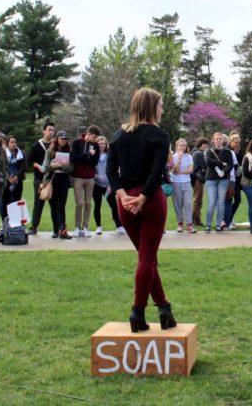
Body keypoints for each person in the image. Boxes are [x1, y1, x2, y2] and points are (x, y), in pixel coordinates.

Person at [107, 87, 176, 333]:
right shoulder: (159, 135)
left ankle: (164, 307)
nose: (162, 109)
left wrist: (123, 194)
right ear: (150, 107)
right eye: (160, 105)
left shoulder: (118, 135)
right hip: (151, 201)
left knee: (146, 258)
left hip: (126, 203)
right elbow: (157, 170)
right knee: (147, 257)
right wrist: (144, 196)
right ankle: (138, 310)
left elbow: (110, 171)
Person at [70, 125, 101, 238]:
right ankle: (77, 227)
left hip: (90, 177)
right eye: (94, 137)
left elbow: (95, 161)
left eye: (96, 138)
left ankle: (86, 227)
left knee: (88, 203)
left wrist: (86, 158)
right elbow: (73, 158)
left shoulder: (96, 145)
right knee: (80, 203)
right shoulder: (77, 142)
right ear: (88, 134)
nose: (95, 140)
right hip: (78, 177)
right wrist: (87, 155)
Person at [44, 131, 74, 239]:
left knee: (61, 206)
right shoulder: (49, 151)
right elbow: (46, 167)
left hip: (64, 180)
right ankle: (55, 230)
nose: (64, 141)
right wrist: (53, 166)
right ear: (57, 139)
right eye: (62, 139)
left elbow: (71, 168)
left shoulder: (70, 151)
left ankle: (63, 231)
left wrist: (60, 165)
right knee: (53, 206)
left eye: (65, 139)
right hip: (52, 181)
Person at [26, 122, 55, 235]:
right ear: (43, 131)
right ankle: (34, 226)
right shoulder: (36, 146)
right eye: (49, 130)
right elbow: (29, 161)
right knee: (39, 203)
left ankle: (57, 228)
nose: (51, 132)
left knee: (55, 204)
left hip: (53, 179)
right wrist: (38, 166)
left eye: (53, 130)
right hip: (40, 179)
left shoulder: (55, 145)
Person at [204, 132, 233, 233]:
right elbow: (208, 161)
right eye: (216, 139)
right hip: (211, 179)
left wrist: (223, 171)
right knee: (212, 202)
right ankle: (208, 225)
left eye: (220, 139)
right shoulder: (209, 151)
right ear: (213, 140)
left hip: (223, 179)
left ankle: (218, 225)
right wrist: (221, 163)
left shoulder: (227, 152)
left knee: (221, 203)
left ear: (223, 140)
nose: (218, 140)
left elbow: (230, 165)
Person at [92, 135, 119, 235]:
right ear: (96, 144)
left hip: (108, 186)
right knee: (97, 205)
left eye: (103, 143)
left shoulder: (109, 155)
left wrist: (110, 184)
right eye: (100, 144)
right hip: (97, 185)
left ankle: (119, 226)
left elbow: (113, 169)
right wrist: (97, 177)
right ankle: (98, 227)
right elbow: (91, 169)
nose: (102, 145)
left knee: (114, 205)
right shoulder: (93, 155)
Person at [171, 139, 195, 233]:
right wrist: (179, 159)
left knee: (188, 203)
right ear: (177, 146)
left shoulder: (189, 156)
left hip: (187, 182)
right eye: (181, 145)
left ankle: (189, 225)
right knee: (178, 204)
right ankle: (180, 223)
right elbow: (175, 171)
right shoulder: (173, 157)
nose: (183, 147)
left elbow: (191, 170)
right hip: (176, 183)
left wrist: (181, 172)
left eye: (184, 145)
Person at [224, 133, 243, 229]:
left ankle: (229, 219)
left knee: (237, 200)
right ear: (231, 142)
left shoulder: (236, 152)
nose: (237, 145)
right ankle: (227, 221)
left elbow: (239, 164)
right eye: (235, 143)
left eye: (238, 143)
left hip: (236, 180)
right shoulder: (228, 151)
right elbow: (235, 167)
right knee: (229, 200)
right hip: (230, 179)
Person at [3, 135, 26, 209]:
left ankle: (16, 219)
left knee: (17, 199)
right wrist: (8, 177)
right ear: (8, 143)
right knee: (6, 200)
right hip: (7, 180)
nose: (13, 144)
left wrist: (17, 176)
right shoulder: (3, 153)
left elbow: (24, 166)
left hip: (18, 179)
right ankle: (6, 218)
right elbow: (3, 167)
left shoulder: (21, 153)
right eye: (11, 142)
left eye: (15, 142)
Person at [190, 137, 208, 227]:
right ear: (200, 144)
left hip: (196, 178)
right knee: (198, 200)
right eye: (204, 144)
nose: (205, 146)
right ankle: (195, 220)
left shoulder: (194, 152)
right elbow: (205, 166)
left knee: (197, 200)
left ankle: (196, 219)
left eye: (206, 144)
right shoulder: (198, 153)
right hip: (198, 179)